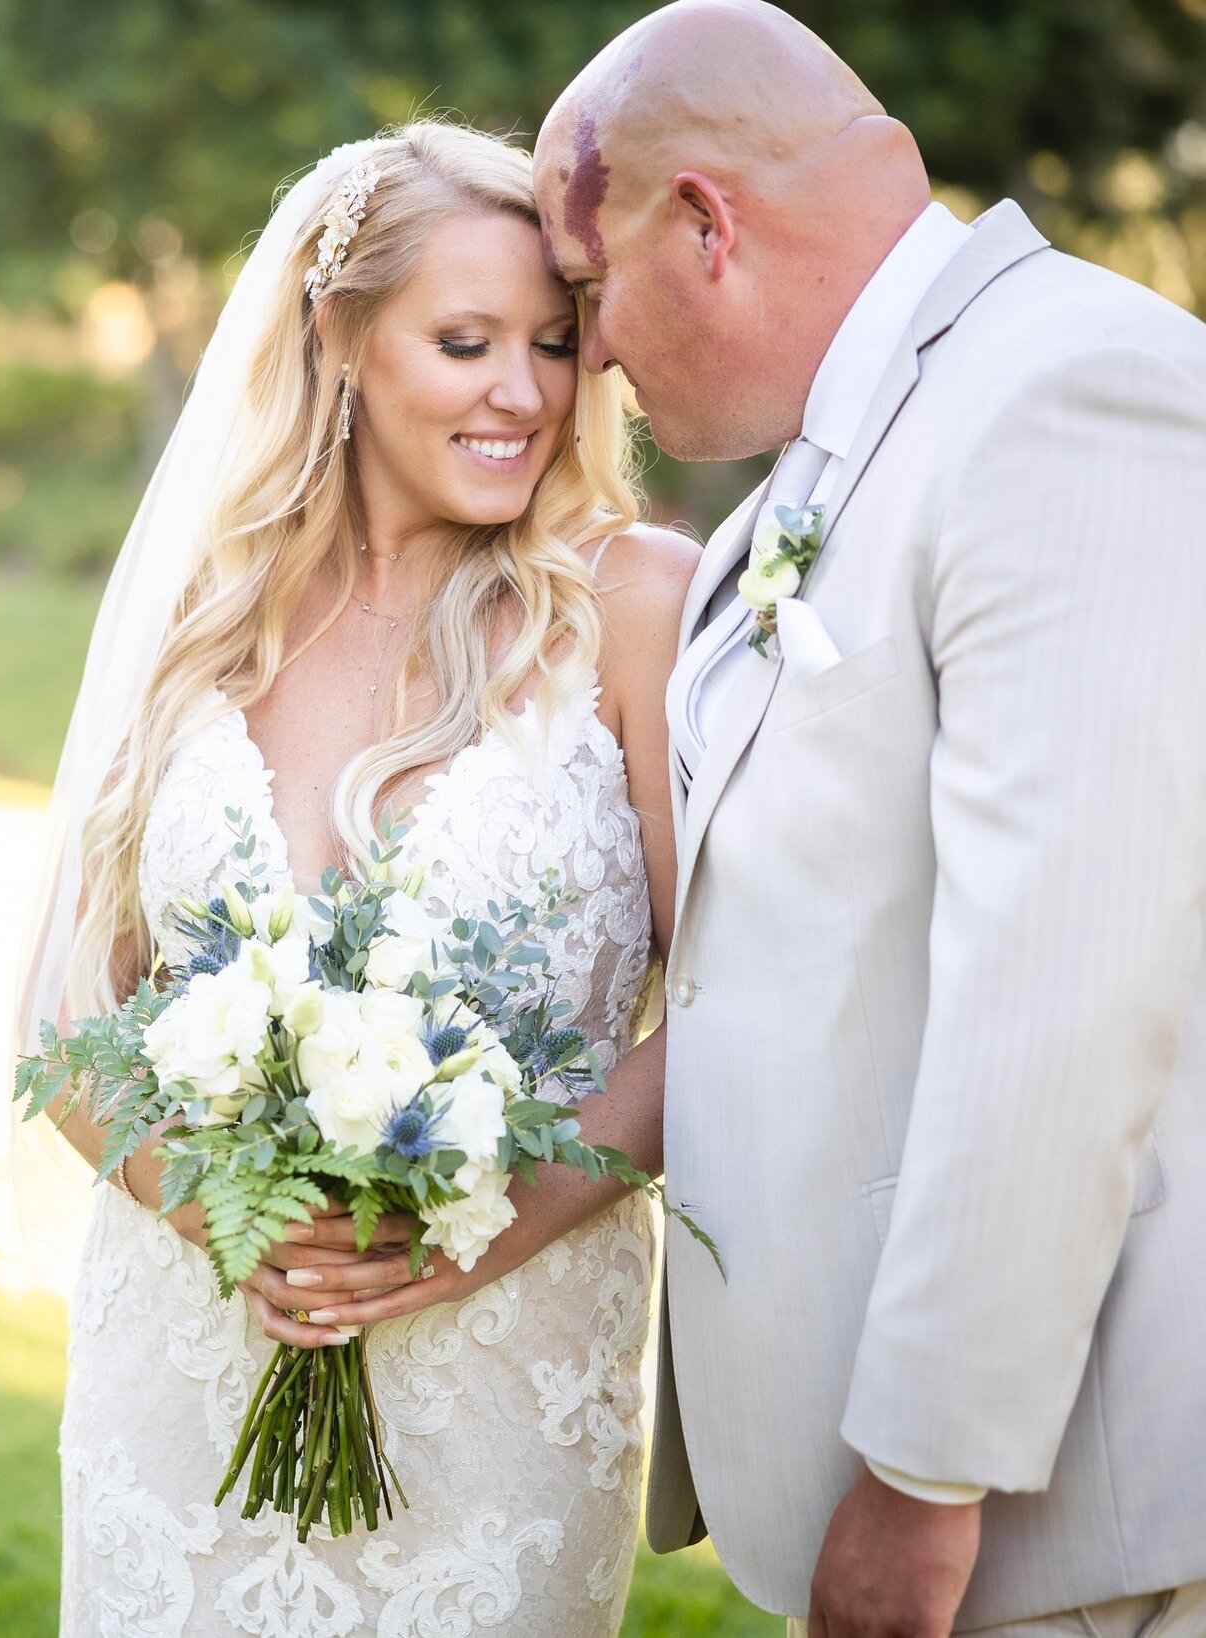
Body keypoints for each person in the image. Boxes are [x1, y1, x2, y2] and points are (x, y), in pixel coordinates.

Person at [514, 3, 1206, 1634]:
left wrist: (923, 1472)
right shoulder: (848, 451)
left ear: (704, 223)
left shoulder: (1071, 393)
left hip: (1055, 1507)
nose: (590, 350)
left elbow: (1065, 982)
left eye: (587, 284)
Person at [14, 121, 698, 1633]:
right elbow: (62, 1017)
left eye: (556, 343)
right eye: (465, 342)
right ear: (339, 336)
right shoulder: (197, 625)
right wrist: (223, 1216)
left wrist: (477, 1228)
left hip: (503, 1388)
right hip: (187, 1369)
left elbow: (730, 1005)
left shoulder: (638, 610)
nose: (521, 391)